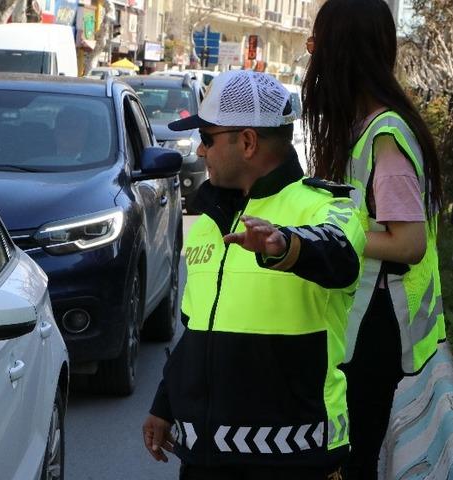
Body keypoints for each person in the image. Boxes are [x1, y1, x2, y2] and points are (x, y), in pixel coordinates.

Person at [142, 70, 366, 480]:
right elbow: (196, 329)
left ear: (246, 142)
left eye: (207, 138)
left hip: (295, 459)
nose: (199, 149)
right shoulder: (210, 221)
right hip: (206, 460)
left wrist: (284, 245)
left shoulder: (327, 207)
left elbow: (341, 255)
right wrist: (164, 405)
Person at [301, 0, 446, 477]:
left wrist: (329, 241)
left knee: (350, 462)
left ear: (344, 51)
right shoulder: (361, 129)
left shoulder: (386, 136)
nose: (310, 49)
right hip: (361, 327)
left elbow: (408, 244)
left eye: (318, 40)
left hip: (377, 332)